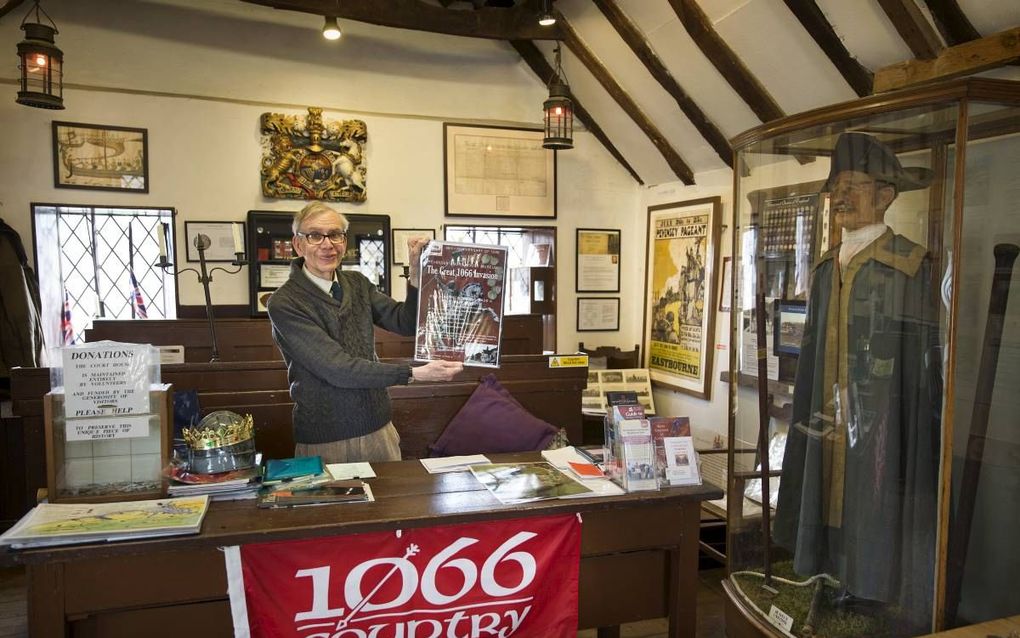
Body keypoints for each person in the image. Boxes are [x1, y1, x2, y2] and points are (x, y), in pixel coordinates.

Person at [773, 133, 942, 628]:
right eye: (836, 188)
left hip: (884, 413)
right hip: (829, 411)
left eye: (853, 185)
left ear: (886, 195)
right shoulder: (828, 267)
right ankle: (830, 573)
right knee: (825, 484)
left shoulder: (909, 265)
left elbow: (922, 355)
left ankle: (871, 586)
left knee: (875, 490)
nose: (840, 197)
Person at [267, 201, 462, 464]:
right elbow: (338, 369)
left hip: (379, 428)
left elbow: (404, 322)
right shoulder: (284, 302)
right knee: (335, 507)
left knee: (390, 506)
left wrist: (417, 273)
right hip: (326, 439)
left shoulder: (357, 283)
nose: (328, 244)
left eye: (335, 234)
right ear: (298, 244)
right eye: (315, 235)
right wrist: (415, 373)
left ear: (344, 242)